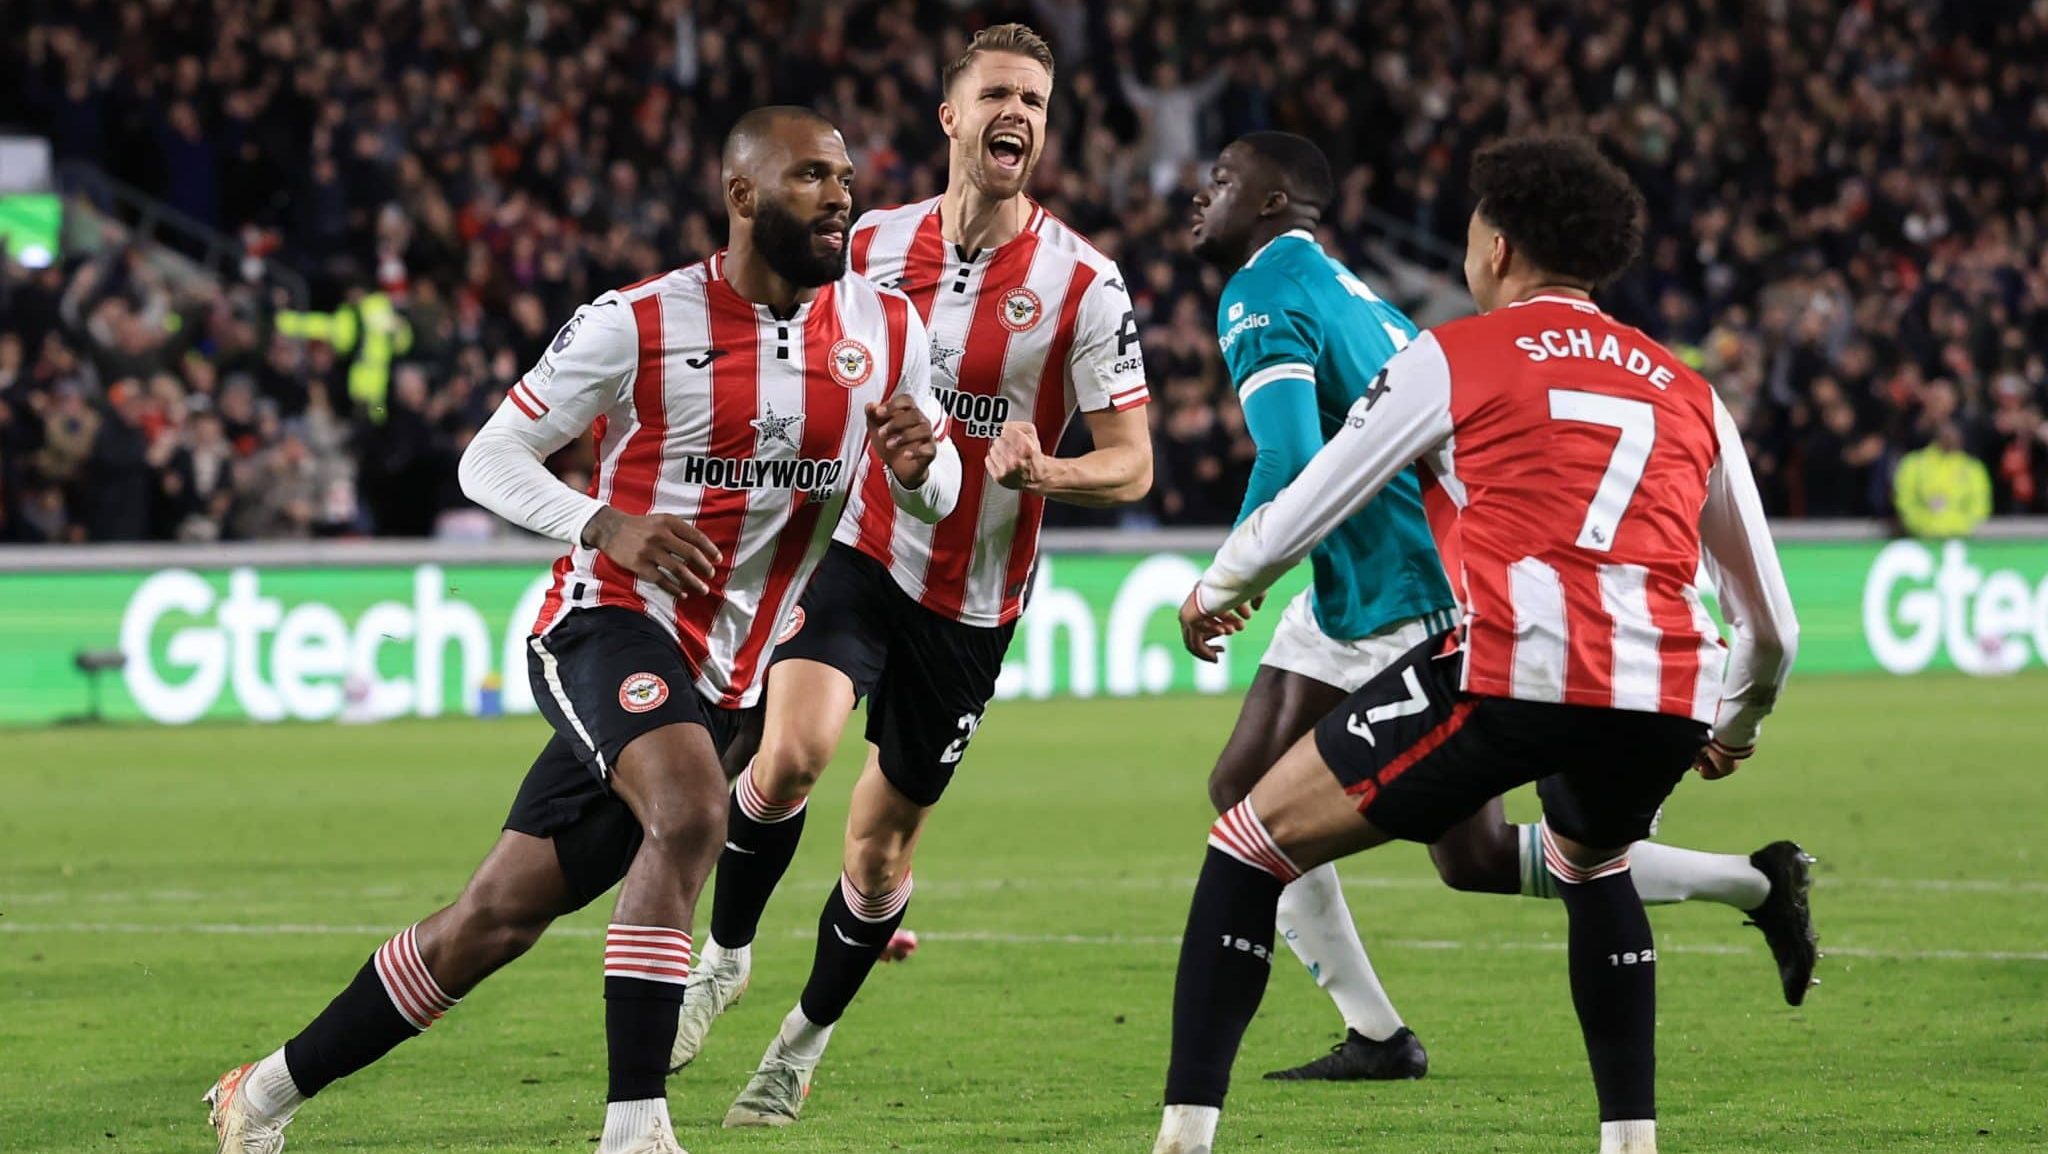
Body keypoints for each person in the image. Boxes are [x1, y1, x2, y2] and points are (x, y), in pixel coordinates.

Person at [204, 105, 962, 1154]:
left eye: (843, 176)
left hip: (726, 676)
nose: (840, 196)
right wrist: (602, 522)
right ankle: (635, 1130)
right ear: (741, 195)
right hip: (605, 623)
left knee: (492, 920)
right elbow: (488, 458)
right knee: (692, 813)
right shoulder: (638, 321)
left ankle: (262, 1092)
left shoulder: (887, 329)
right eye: (810, 177)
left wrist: (924, 469)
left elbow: (935, 485)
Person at [1154, 135, 1800, 1154]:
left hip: (1512, 660)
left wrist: (1216, 586)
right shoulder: (1690, 390)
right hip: (1664, 685)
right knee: (1592, 867)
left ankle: (1185, 1137)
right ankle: (1629, 1137)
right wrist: (1735, 721)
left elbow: (1313, 486)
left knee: (1247, 838)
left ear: (1496, 248)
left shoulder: (1457, 353)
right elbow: (1771, 624)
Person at [672, 23, 1154, 1129]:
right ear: (951, 116)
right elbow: (789, 346)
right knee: (789, 755)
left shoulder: (1084, 281)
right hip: (860, 550)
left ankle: (799, 1044)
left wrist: (1047, 469)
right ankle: (725, 955)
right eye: (998, 94)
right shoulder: (871, 242)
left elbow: (1132, 462)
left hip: (973, 601)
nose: (1017, 114)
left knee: (879, 852)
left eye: (1034, 101)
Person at [1893, 421, 1991, 537]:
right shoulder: (1914, 463)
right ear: (1936, 434)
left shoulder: (1973, 468)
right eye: (1946, 433)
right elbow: (1904, 501)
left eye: (1954, 433)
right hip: (1919, 538)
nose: (1950, 438)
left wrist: (1958, 527)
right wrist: (1923, 525)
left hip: (1961, 539)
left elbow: (1980, 506)